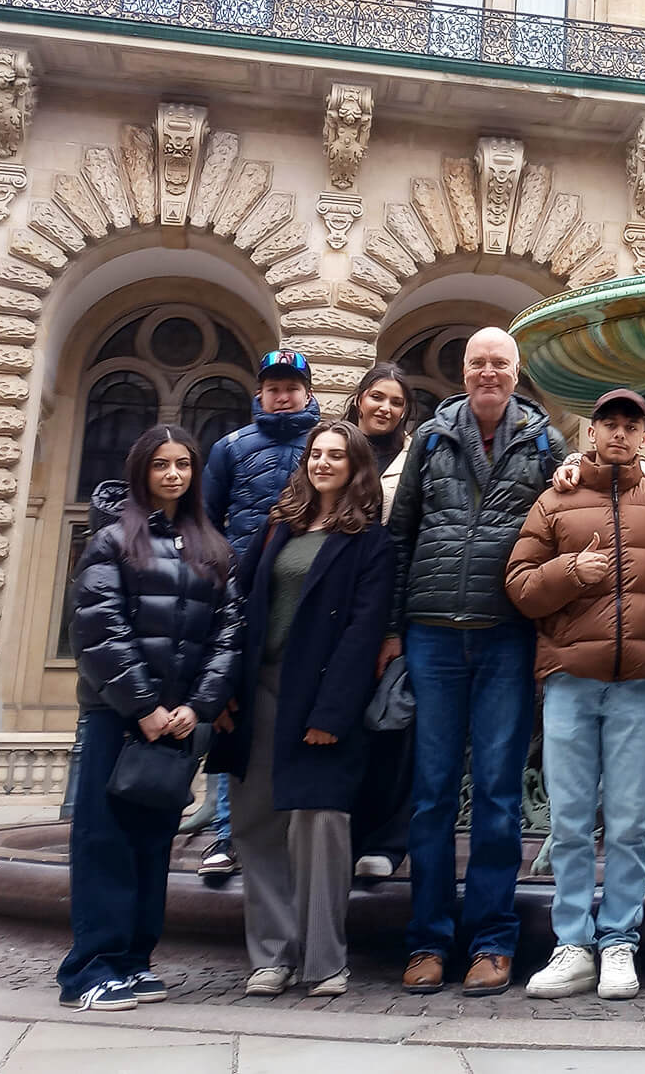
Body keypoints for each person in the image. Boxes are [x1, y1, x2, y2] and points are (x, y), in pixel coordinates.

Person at [385, 326, 566, 996]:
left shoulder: (545, 443)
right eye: (477, 363)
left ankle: (492, 939)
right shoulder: (431, 438)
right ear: (463, 372)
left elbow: (565, 527)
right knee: (432, 793)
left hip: (506, 635)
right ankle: (428, 940)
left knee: (496, 793)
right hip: (432, 634)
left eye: (499, 363)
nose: (488, 372)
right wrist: (391, 629)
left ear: (517, 373)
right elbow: (400, 537)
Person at [60, 426, 241, 1010]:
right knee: (104, 842)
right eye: (161, 464)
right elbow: (98, 630)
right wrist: (144, 707)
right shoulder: (111, 540)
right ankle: (89, 971)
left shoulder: (214, 548)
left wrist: (196, 707)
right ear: (141, 470)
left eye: (183, 464)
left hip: (177, 724)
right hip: (117, 719)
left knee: (152, 844)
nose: (172, 474)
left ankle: (135, 961)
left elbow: (228, 636)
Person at [210, 422, 393, 998]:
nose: (322, 463)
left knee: (321, 824)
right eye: (316, 454)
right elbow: (240, 605)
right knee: (256, 822)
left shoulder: (370, 541)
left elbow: (363, 633)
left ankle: (325, 961)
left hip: (320, 694)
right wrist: (224, 688)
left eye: (336, 455)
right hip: (258, 689)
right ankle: (271, 955)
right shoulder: (277, 526)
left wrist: (332, 713)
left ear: (355, 466)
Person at [507, 389, 645, 1001]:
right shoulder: (556, 497)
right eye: (609, 424)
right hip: (571, 679)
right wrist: (571, 572)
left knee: (629, 823)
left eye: (631, 425)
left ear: (644, 437)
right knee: (571, 821)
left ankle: (620, 941)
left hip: (638, 683)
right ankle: (573, 944)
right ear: (591, 433)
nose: (619, 434)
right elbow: (519, 585)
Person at [198, 349, 320, 880]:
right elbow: (205, 522)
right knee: (237, 712)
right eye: (274, 387)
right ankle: (227, 834)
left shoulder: (324, 446)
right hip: (243, 597)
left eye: (292, 387)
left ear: (308, 392)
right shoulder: (229, 448)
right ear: (260, 393)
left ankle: (290, 833)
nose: (283, 396)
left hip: (305, 593)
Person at [343, 362, 415, 881]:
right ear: (360, 399)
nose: (385, 408)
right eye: (377, 397)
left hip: (390, 606)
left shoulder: (414, 458)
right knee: (339, 726)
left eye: (396, 402)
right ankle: (339, 838)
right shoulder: (332, 448)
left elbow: (407, 542)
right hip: (336, 608)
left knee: (391, 725)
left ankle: (386, 842)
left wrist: (393, 628)